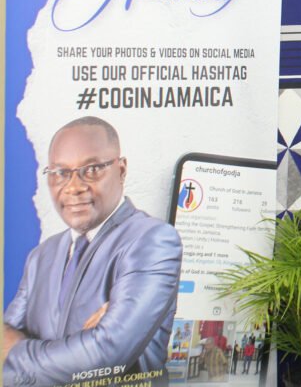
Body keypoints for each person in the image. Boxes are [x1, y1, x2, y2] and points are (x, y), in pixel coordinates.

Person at [3, 116, 183, 386]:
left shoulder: (153, 240)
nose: (74, 187)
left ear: (121, 170)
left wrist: (16, 351)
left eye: (92, 169)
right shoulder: (41, 256)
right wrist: (81, 345)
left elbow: (105, 356)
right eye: (61, 173)